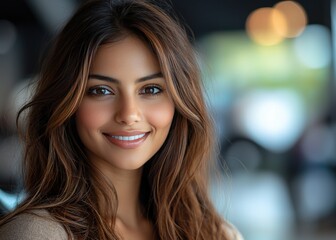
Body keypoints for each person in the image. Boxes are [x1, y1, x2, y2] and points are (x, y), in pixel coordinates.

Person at [0, 0, 243, 239]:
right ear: (66, 103)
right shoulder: (37, 234)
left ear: (179, 103)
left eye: (151, 89)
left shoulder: (216, 233)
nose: (128, 115)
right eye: (101, 90)